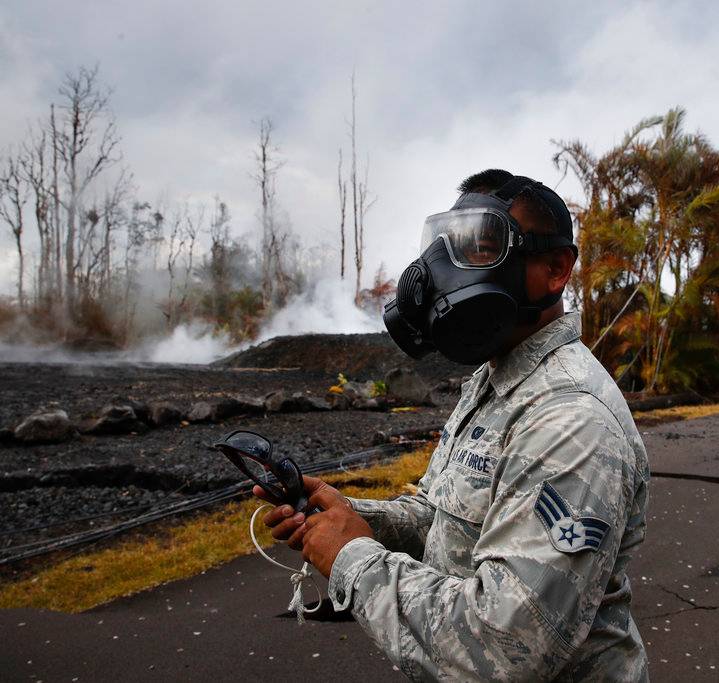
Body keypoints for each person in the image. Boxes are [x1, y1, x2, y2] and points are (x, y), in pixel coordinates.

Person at [256, 169, 650, 681]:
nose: (451, 270)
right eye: (448, 248)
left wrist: (352, 557)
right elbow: (446, 521)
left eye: (482, 248)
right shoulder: (496, 381)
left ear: (555, 270)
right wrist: (353, 517)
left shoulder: (570, 420)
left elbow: (505, 646)